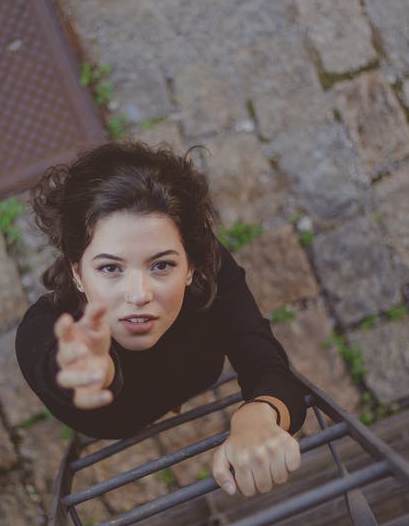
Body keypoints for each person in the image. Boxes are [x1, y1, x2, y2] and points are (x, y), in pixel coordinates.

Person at [15, 141, 311, 498]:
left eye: (162, 265)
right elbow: (49, 359)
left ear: (191, 266)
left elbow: (265, 361)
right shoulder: (44, 326)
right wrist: (88, 369)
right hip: (120, 419)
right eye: (110, 268)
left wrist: (259, 415)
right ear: (77, 272)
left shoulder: (209, 273)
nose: (138, 294)